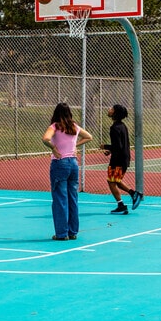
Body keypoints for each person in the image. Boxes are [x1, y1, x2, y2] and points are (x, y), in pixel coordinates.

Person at [42, 103, 93, 241]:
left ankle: (61, 233)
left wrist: (53, 147)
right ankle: (72, 231)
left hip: (60, 164)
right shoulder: (74, 127)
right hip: (73, 164)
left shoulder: (54, 127)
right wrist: (74, 145)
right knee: (72, 198)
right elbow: (89, 136)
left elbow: (45, 138)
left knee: (60, 199)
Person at [99, 104, 143, 214]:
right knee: (116, 182)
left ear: (115, 113)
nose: (109, 109)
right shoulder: (122, 126)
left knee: (111, 182)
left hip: (118, 160)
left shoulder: (114, 128)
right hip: (123, 158)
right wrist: (111, 150)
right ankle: (133, 194)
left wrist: (106, 147)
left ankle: (122, 205)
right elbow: (121, 145)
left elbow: (117, 146)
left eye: (111, 108)